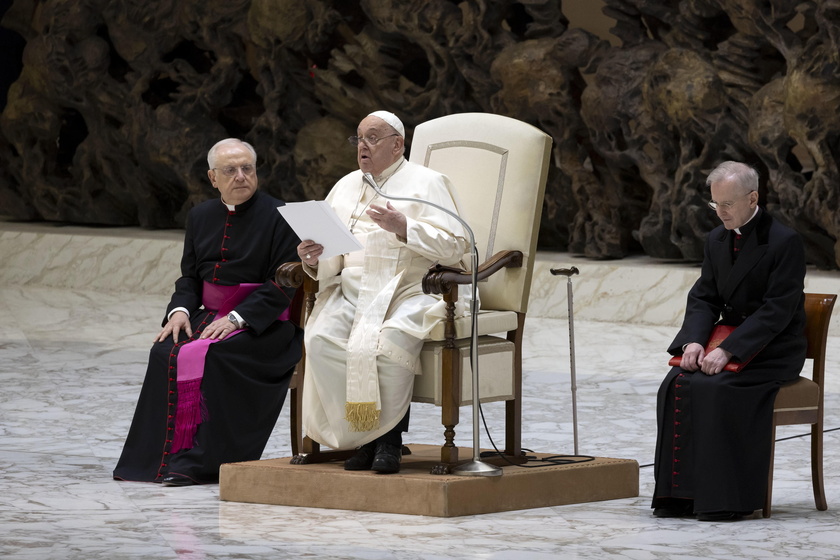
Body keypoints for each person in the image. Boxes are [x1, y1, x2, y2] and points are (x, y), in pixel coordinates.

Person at [114, 138, 302, 486]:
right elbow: (189, 276)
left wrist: (237, 319)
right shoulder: (200, 216)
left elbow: (284, 284)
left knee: (215, 354)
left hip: (264, 325)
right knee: (163, 351)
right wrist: (180, 311)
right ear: (213, 178)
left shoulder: (281, 217)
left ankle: (200, 463)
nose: (241, 176)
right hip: (208, 315)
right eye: (230, 170)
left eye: (248, 168)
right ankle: (154, 462)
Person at [296, 110, 468, 473]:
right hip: (352, 290)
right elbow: (330, 255)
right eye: (358, 138)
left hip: (409, 287)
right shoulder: (345, 186)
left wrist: (405, 227)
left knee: (388, 344)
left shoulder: (428, 182)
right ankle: (363, 439)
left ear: (397, 144)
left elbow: (457, 246)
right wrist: (312, 257)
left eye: (372, 137)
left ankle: (388, 441)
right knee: (321, 340)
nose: (362, 145)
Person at [652, 161, 807, 520]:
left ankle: (727, 500)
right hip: (726, 344)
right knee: (676, 383)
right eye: (715, 204)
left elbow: (777, 310)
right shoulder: (716, 239)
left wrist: (729, 350)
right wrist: (694, 342)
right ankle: (682, 497)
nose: (720, 212)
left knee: (717, 388)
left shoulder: (784, 241)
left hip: (773, 348)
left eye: (728, 204)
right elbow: (704, 297)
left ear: (753, 198)